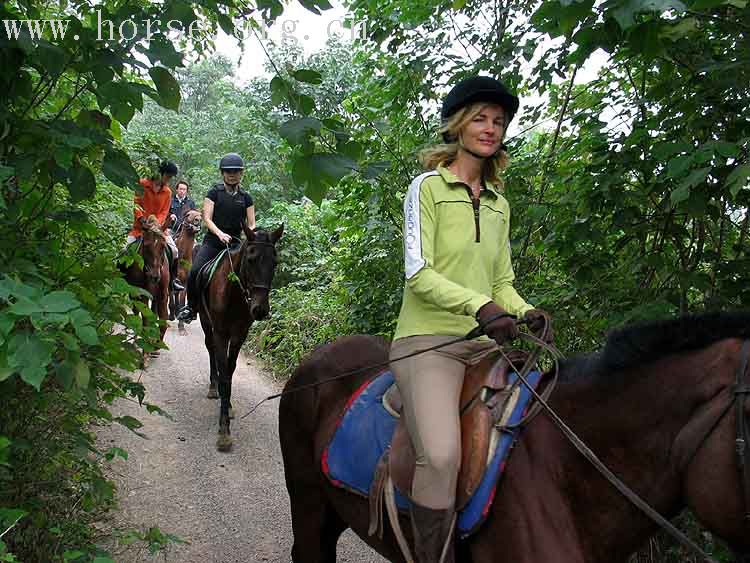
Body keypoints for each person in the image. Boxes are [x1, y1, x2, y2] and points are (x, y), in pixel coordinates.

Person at [389, 76, 553, 563]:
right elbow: (418, 273)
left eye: (499, 121)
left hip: (485, 344)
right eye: (480, 118)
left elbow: (500, 280)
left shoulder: (500, 205)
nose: (491, 128)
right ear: (458, 126)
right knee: (439, 457)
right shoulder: (428, 189)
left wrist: (525, 310)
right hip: (427, 342)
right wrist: (479, 306)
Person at [176, 153, 256, 322]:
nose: (232, 174)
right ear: (222, 173)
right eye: (228, 171)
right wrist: (219, 234)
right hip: (213, 242)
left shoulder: (246, 197)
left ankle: (253, 307)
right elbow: (207, 218)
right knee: (195, 271)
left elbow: (252, 223)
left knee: (255, 271)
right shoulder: (214, 193)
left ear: (241, 173)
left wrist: (249, 235)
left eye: (236, 171)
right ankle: (191, 307)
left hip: (235, 243)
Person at [126, 160, 184, 292]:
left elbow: (164, 211)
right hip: (139, 229)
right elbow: (136, 204)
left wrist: (156, 224)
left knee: (174, 251)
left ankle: (173, 280)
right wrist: (141, 219)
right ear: (160, 173)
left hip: (158, 230)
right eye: (168, 176)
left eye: (170, 177)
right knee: (124, 250)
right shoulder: (142, 184)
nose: (168, 180)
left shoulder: (168, 192)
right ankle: (121, 278)